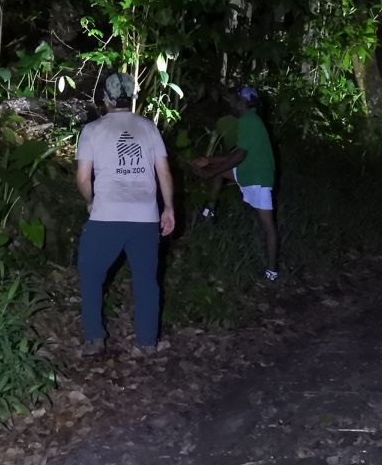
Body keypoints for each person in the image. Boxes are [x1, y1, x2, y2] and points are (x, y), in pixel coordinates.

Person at [75, 71, 175, 356]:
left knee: (91, 273)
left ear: (105, 98)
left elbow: (83, 178)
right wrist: (168, 208)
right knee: (146, 279)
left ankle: (94, 337)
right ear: (132, 98)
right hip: (145, 217)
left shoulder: (93, 131)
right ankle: (147, 342)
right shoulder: (149, 128)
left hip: (106, 215)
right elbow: (164, 172)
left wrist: (90, 201)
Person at [189, 85, 278, 281]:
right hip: (246, 170)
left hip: (258, 179)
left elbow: (238, 156)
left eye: (234, 100)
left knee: (268, 227)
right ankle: (208, 212)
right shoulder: (249, 120)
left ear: (244, 103)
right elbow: (236, 154)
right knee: (218, 175)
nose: (230, 102)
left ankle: (272, 271)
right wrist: (208, 161)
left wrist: (209, 170)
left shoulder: (249, 122)